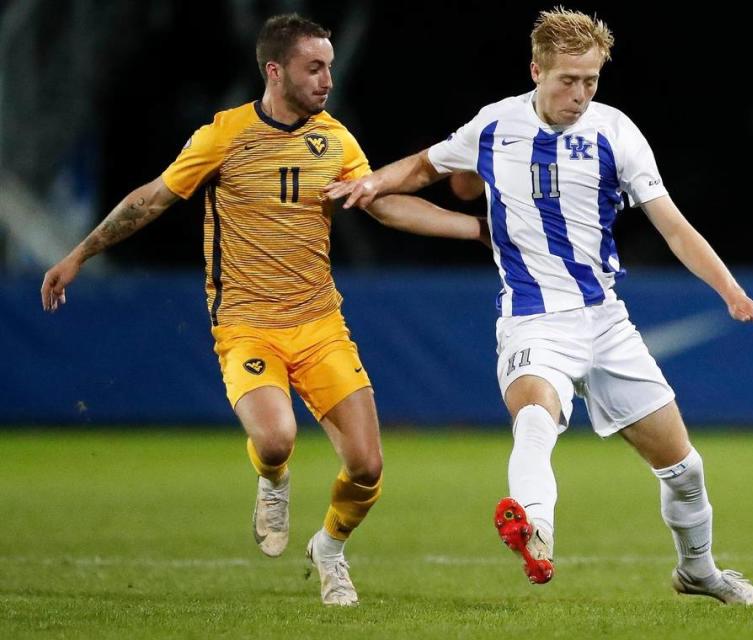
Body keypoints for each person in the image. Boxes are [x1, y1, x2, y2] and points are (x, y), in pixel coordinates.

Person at [325, 7, 753, 605]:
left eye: (591, 80)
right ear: (536, 70)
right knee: (537, 418)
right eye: (568, 79)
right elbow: (427, 166)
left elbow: (671, 226)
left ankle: (699, 572)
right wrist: (372, 184)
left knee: (685, 471)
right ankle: (535, 527)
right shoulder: (495, 125)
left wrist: (732, 292)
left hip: (606, 321)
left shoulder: (616, 131)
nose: (580, 93)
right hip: (533, 319)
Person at [40, 13, 486, 607]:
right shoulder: (224, 135)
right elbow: (150, 199)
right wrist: (79, 253)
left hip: (320, 323)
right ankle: (273, 481)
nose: (327, 78)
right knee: (276, 439)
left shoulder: (336, 140)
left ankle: (329, 547)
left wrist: (476, 229)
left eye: (329, 65)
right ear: (276, 71)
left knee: (367, 468)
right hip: (247, 326)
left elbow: (383, 206)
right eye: (315, 67)